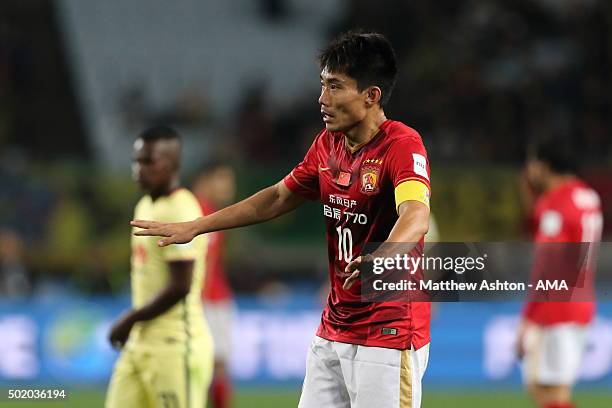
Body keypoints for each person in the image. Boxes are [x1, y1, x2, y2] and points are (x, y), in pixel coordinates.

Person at [132, 32, 432, 408]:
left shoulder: (401, 145)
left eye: (335, 87)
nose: (322, 99)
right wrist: (197, 225)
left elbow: (416, 215)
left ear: (371, 96)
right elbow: (277, 196)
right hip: (335, 327)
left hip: (388, 328)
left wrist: (383, 255)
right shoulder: (327, 144)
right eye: (322, 85)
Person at [106, 126, 214, 408]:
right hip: (140, 344)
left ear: (171, 165)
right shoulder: (144, 205)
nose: (138, 169)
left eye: (147, 162)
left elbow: (181, 285)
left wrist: (130, 319)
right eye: (136, 161)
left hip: (174, 345)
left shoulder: (181, 209)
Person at [518, 140, 603, 408]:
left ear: (544, 166)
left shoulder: (555, 203)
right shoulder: (587, 196)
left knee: (547, 389)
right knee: (550, 389)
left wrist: (530, 317)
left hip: (556, 307)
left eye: (533, 163)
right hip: (581, 301)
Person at [192, 162, 237, 408]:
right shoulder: (201, 213)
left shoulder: (207, 210)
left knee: (212, 369)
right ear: (207, 179)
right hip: (209, 302)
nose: (230, 187)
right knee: (215, 368)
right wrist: (196, 305)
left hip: (214, 299)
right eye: (224, 179)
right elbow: (203, 266)